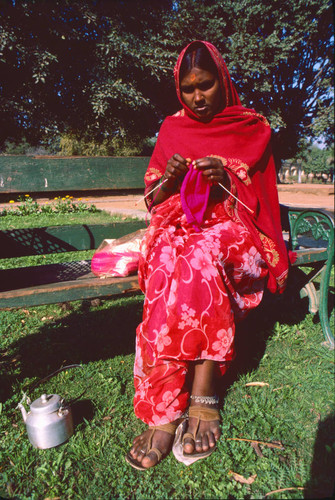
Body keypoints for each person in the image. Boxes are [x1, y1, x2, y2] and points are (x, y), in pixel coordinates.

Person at [125, 40, 289, 470]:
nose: (198, 97)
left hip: (238, 237)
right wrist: (173, 180)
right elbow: (153, 198)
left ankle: (203, 390)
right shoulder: (172, 128)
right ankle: (163, 406)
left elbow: (263, 200)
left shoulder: (251, 127)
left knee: (199, 256)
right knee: (164, 260)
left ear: (222, 79)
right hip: (181, 229)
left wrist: (227, 182)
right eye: (189, 88)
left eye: (206, 85)